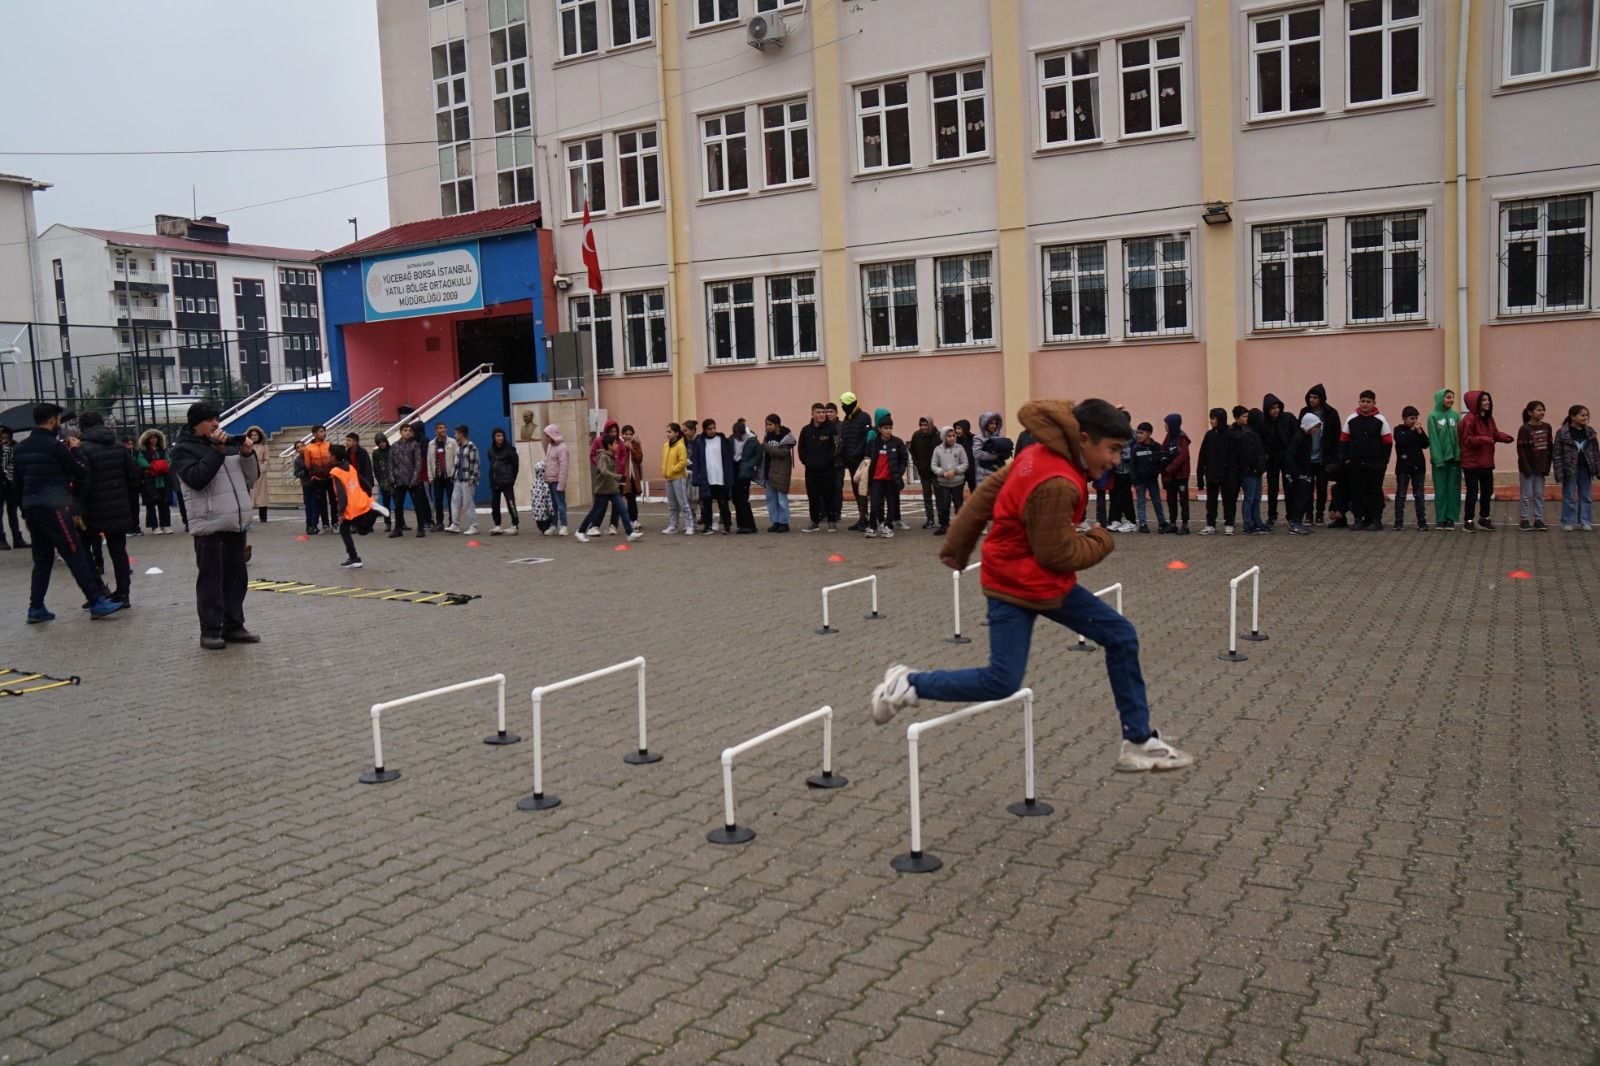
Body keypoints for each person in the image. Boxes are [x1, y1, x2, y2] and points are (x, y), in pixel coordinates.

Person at [869, 398, 1194, 773]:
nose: (1116, 461)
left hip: (1037, 579)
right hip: (1016, 584)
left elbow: (989, 491)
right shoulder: (1057, 481)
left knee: (1120, 635)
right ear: (1084, 439)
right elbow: (1058, 554)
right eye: (1113, 450)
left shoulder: (1042, 453)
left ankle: (1139, 741)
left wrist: (958, 547)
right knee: (1001, 681)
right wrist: (1101, 539)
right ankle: (907, 684)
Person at [170, 401, 257, 648]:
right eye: (210, 420)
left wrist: (247, 455)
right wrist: (216, 451)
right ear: (196, 423)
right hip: (209, 525)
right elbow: (197, 479)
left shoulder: (226, 445)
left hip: (234, 522)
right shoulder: (183, 450)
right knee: (211, 580)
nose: (216, 423)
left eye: (217, 419)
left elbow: (251, 478)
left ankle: (234, 626)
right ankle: (210, 630)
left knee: (236, 579)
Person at [76, 411, 141, 607]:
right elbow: (135, 475)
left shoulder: (83, 449)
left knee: (81, 548)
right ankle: (123, 594)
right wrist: (125, 497)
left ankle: (98, 589)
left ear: (82, 427)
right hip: (118, 507)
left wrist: (77, 507)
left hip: (92, 510)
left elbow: (82, 481)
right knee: (118, 551)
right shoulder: (119, 447)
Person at [1340, 390, 1393, 531]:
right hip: (1355, 463)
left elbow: (1387, 442)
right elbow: (1344, 440)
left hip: (1375, 464)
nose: (1365, 404)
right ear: (1359, 402)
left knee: (1374, 492)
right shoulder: (1351, 419)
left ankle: (1375, 520)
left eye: (1368, 402)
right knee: (1357, 492)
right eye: (1362, 401)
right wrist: (1345, 460)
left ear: (1374, 403)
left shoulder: (1381, 420)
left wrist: (1384, 462)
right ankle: (1358, 520)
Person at [1459, 390, 1511, 532]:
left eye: (1488, 400)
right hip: (1471, 463)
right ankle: (1468, 521)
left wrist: (1504, 437)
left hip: (1486, 462)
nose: (1487, 402)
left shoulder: (1489, 418)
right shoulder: (1468, 420)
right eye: (1483, 400)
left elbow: (1494, 433)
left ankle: (1484, 518)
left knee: (1487, 491)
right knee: (1472, 493)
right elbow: (1466, 440)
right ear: (1475, 403)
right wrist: (1485, 439)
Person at [573, 443, 642, 543]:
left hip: (612, 489)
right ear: (609, 445)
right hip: (603, 490)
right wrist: (618, 477)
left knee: (623, 510)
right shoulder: (603, 457)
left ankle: (630, 533)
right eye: (615, 443)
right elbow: (604, 471)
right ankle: (580, 531)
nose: (617, 445)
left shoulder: (612, 456)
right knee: (595, 511)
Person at [328, 443, 379, 568]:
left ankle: (354, 558)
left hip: (350, 506)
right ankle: (373, 513)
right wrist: (366, 494)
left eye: (329, 454)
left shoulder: (335, 471)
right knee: (362, 530)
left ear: (334, 457)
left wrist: (341, 512)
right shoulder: (350, 467)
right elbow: (364, 483)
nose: (328, 456)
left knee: (344, 529)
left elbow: (341, 494)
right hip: (359, 502)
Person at [1301, 384, 1341, 525]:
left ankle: (1319, 514)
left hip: (1324, 457)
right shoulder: (1304, 412)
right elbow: (1300, 433)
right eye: (1310, 397)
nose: (1312, 400)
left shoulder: (1331, 414)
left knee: (1322, 487)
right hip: (1307, 457)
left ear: (1322, 398)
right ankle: (1308, 514)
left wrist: (1335, 460)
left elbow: (1337, 437)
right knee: (1307, 487)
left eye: (1315, 397)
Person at [862, 412, 908, 538]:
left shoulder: (897, 443)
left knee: (892, 504)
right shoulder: (873, 443)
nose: (888, 431)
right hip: (876, 479)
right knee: (875, 503)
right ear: (880, 429)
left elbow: (904, 459)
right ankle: (872, 526)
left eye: (890, 428)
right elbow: (867, 457)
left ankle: (888, 526)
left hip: (891, 479)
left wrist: (899, 472)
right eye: (885, 428)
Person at [1553, 405, 1596, 532]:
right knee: (1569, 496)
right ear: (1572, 416)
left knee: (1586, 496)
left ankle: (1585, 521)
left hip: (1585, 469)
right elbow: (1557, 454)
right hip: (1569, 469)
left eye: (1586, 415)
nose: (1585, 418)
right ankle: (1568, 521)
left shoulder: (1590, 432)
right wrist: (1559, 472)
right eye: (1582, 415)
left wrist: (1597, 469)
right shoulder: (1562, 433)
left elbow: (1595, 452)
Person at [798, 402, 839, 533]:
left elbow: (837, 447)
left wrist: (828, 461)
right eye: (819, 412)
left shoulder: (832, 429)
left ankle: (831, 522)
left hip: (827, 470)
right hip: (811, 471)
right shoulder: (806, 430)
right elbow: (801, 448)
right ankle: (814, 522)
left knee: (829, 496)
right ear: (812, 414)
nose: (822, 415)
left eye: (823, 412)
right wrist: (807, 461)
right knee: (813, 497)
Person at [690, 416, 735, 535]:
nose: (712, 431)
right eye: (710, 428)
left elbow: (729, 459)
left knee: (723, 503)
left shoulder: (722, 440)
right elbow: (696, 461)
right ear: (704, 430)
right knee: (707, 504)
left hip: (721, 478)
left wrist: (729, 477)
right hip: (707, 478)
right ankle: (708, 526)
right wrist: (696, 477)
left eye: (714, 428)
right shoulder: (699, 442)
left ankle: (727, 526)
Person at [1196, 408, 1238, 535]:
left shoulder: (1230, 435)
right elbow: (1202, 455)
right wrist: (1200, 477)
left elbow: (1234, 457)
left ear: (1220, 419)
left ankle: (1229, 523)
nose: (1211, 421)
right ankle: (1210, 524)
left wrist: (1234, 477)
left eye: (1213, 418)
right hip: (1212, 474)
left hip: (1227, 475)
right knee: (1211, 501)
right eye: (1210, 418)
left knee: (1228, 501)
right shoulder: (1209, 435)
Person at [1427, 388, 1463, 530]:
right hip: (1440, 461)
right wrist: (1437, 458)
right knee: (1441, 490)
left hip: (1455, 459)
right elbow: (1434, 440)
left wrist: (1459, 455)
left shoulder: (1455, 416)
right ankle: (1440, 519)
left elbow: (1459, 437)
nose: (1451, 400)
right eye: (1448, 397)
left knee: (1453, 489)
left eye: (1452, 397)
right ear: (1440, 398)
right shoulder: (1433, 417)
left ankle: (1451, 518)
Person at [1260, 394, 1297, 530]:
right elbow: (1261, 440)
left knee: (1289, 488)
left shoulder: (1287, 418)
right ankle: (1272, 516)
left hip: (1287, 458)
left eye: (1277, 407)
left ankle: (1292, 516)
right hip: (1272, 459)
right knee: (1272, 488)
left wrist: (1292, 454)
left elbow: (1296, 436)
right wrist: (1266, 454)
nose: (1275, 411)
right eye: (1272, 408)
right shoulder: (1264, 423)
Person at [1128, 422, 1172, 533]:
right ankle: (1143, 524)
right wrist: (1134, 481)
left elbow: (1162, 460)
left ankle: (1162, 522)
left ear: (1149, 434)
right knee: (1141, 502)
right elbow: (1132, 466)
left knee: (1157, 501)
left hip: (1152, 479)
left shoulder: (1157, 447)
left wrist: (1158, 469)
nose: (1138, 435)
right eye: (1137, 433)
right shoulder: (1135, 448)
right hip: (1140, 481)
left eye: (1141, 433)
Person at [1391, 405, 1430, 531]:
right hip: (1403, 467)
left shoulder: (1418, 430)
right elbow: (1402, 441)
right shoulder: (1399, 430)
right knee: (1401, 494)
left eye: (1416, 418)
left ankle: (1422, 521)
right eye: (1411, 418)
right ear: (1404, 418)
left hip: (1418, 467)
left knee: (1419, 495)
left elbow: (1426, 444)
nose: (1414, 421)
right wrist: (1413, 430)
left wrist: (1420, 432)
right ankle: (1398, 521)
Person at [1516, 401, 1552, 532]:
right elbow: (1521, 450)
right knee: (1526, 494)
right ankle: (1524, 520)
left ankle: (1538, 519)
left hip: (1541, 468)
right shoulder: (1524, 429)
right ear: (1530, 413)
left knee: (1539, 494)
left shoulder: (1547, 427)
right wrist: (1526, 468)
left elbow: (1549, 448)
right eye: (1538, 410)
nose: (1542, 412)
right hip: (1528, 468)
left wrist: (1547, 466)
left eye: (1543, 410)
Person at [838, 393, 873, 530]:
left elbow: (865, 439)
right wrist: (841, 455)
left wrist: (855, 453)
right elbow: (844, 440)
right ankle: (862, 517)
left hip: (860, 461)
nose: (843, 407)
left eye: (845, 405)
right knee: (856, 490)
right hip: (850, 462)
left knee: (863, 490)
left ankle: (867, 519)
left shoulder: (864, 417)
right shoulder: (846, 420)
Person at [388, 422, 427, 538]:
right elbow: (391, 463)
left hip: (412, 482)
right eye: (405, 430)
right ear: (400, 432)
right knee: (398, 506)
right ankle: (398, 529)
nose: (407, 432)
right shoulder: (394, 446)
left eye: (409, 430)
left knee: (417, 505)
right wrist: (392, 478)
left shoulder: (415, 445)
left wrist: (414, 480)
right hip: (399, 481)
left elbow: (418, 464)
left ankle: (421, 528)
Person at [1232, 407, 1267, 534]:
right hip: (1249, 472)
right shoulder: (1246, 434)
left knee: (1256, 498)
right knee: (1250, 498)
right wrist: (1254, 467)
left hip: (1256, 471)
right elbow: (1247, 455)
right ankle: (1248, 524)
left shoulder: (1254, 433)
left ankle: (1257, 521)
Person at [1285, 413, 1320, 535]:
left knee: (1304, 498)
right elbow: (1290, 456)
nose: (1316, 430)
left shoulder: (1307, 437)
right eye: (1315, 427)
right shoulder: (1298, 437)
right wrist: (1295, 473)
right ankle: (1294, 523)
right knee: (1298, 499)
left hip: (1305, 473)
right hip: (1298, 474)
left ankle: (1299, 522)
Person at [760, 414, 795, 533]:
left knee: (781, 498)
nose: (768, 427)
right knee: (771, 499)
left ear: (777, 424)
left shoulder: (785, 437)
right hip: (769, 470)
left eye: (770, 424)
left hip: (781, 471)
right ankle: (775, 521)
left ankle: (784, 522)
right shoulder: (768, 437)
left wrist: (765, 446)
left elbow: (782, 453)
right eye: (766, 424)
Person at [931, 425, 968, 535]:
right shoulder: (938, 450)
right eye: (949, 436)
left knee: (959, 505)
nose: (952, 438)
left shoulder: (959, 448)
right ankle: (944, 526)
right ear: (943, 437)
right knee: (944, 505)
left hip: (958, 482)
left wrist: (955, 471)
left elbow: (965, 463)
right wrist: (943, 472)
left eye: (953, 435)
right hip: (944, 483)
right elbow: (933, 465)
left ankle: (961, 526)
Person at [137, 429, 175, 534]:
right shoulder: (143, 451)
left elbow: (169, 461)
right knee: (151, 504)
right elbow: (141, 461)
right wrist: (153, 466)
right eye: (152, 438)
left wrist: (160, 466)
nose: (154, 440)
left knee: (164, 503)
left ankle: (166, 524)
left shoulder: (163, 450)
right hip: (150, 480)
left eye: (156, 437)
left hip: (163, 479)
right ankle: (154, 526)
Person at [1160, 413, 1192, 535]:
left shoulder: (1182, 438)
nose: (1165, 426)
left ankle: (1185, 524)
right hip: (1170, 476)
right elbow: (1163, 450)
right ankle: (1172, 523)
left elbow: (1182, 456)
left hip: (1181, 475)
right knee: (1171, 499)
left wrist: (1170, 468)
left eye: (1166, 424)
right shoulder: (1168, 437)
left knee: (1183, 500)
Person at [728, 419, 760, 534]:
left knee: (743, 499)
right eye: (735, 434)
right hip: (735, 469)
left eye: (739, 434)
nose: (737, 437)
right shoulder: (731, 439)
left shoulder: (751, 440)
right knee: (736, 499)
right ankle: (741, 524)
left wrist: (749, 465)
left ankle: (750, 525)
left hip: (745, 472)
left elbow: (758, 455)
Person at [661, 422, 693, 534]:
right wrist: (664, 470)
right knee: (672, 504)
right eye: (667, 431)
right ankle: (673, 525)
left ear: (676, 433)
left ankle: (689, 525)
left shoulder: (680, 446)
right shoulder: (665, 445)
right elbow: (664, 460)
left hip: (678, 478)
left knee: (683, 502)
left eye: (669, 432)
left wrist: (672, 469)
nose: (667, 434)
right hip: (668, 478)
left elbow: (683, 462)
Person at [303, 425, 335, 533]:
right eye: (321, 432)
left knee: (333, 501)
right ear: (315, 434)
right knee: (322, 502)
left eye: (324, 431)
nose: (324, 433)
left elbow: (333, 459)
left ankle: (335, 523)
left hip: (330, 476)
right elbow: (308, 464)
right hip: (317, 478)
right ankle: (325, 524)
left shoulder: (329, 445)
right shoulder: (308, 448)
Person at [487, 427, 520, 535]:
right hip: (495, 482)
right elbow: (492, 464)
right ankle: (498, 525)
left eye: (502, 435)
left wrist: (512, 478)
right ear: (493, 437)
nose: (500, 438)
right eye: (497, 436)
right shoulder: (491, 450)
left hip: (507, 482)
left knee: (511, 503)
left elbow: (515, 465)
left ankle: (515, 525)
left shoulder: (510, 450)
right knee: (494, 505)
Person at [908, 416, 940, 529]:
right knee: (927, 496)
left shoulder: (938, 435)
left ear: (930, 425)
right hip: (924, 471)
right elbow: (912, 450)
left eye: (925, 425)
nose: (923, 427)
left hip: (937, 472)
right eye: (921, 425)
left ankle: (942, 520)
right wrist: (917, 463)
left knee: (940, 496)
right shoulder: (917, 436)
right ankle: (930, 519)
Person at [449, 424, 480, 535]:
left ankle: (474, 526)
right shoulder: (458, 446)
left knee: (468, 503)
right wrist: (453, 475)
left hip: (467, 480)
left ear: (461, 434)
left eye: (456, 433)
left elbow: (475, 463)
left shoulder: (471, 446)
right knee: (455, 501)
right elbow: (456, 463)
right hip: (458, 479)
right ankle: (455, 524)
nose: (454, 435)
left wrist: (472, 478)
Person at [428, 422, 457, 531]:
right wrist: (430, 476)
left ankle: (452, 522)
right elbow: (429, 461)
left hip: (449, 476)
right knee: (438, 500)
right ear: (436, 431)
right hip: (437, 477)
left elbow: (456, 459)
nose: (443, 430)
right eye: (440, 428)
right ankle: (439, 522)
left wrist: (454, 474)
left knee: (451, 500)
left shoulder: (452, 442)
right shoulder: (431, 444)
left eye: (444, 428)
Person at [542, 424, 570, 535]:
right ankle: (553, 525)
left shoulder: (562, 448)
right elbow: (548, 461)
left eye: (548, 436)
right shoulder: (550, 446)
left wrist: (561, 485)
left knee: (560, 504)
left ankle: (564, 525)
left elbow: (564, 467)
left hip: (557, 481)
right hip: (550, 480)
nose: (547, 438)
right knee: (552, 505)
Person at [974, 411, 1013, 484]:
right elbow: (977, 454)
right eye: (991, 423)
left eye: (995, 423)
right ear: (985, 424)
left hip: (999, 471)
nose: (994, 426)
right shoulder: (978, 438)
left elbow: (1004, 452)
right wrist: (996, 456)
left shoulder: (1000, 437)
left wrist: (1006, 454)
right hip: (984, 475)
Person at [245, 426, 270, 524]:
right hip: (248, 471)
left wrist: (262, 469)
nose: (254, 437)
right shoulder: (246, 445)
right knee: (248, 495)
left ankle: (263, 518)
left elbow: (267, 459)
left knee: (262, 495)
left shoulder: (264, 446)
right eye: (252, 435)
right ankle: (247, 518)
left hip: (260, 472)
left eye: (256, 435)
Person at [621, 425, 645, 525]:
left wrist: (632, 449)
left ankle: (633, 520)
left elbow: (639, 459)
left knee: (632, 498)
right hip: (624, 477)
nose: (628, 436)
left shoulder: (636, 444)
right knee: (629, 498)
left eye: (630, 434)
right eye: (626, 434)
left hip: (634, 476)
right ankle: (632, 520)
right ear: (622, 435)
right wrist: (625, 448)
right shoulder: (619, 445)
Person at [530, 457, 555, 534]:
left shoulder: (533, 483)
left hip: (537, 513)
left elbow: (532, 498)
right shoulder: (545, 485)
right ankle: (546, 529)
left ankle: (543, 529)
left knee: (541, 526)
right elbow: (549, 499)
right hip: (545, 514)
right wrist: (552, 511)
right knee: (546, 527)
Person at [953, 419, 977, 493]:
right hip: (960, 471)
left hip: (972, 471)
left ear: (965, 428)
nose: (957, 431)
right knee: (957, 494)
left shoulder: (974, 439)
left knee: (975, 493)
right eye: (956, 428)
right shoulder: (954, 441)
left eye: (959, 428)